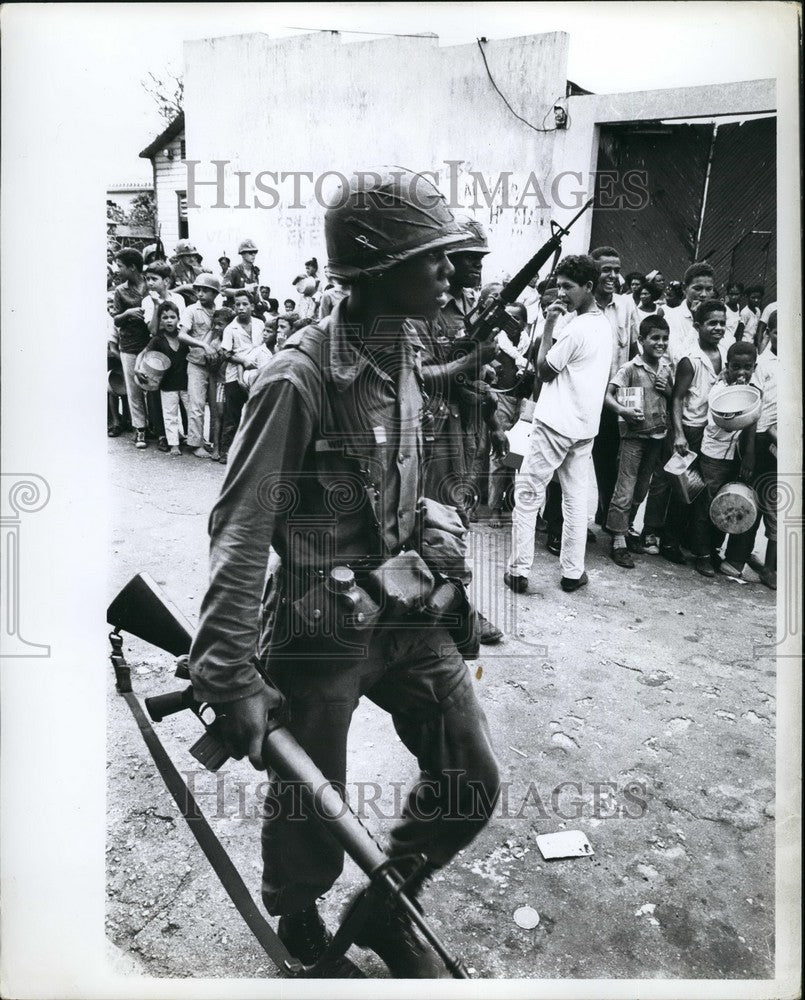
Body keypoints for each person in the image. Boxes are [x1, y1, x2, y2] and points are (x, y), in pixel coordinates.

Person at [188, 168, 500, 979]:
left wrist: (438, 532)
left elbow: (404, 460)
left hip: (407, 612)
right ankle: (301, 913)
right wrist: (227, 670)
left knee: (470, 779)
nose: (450, 271)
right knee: (311, 802)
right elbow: (239, 529)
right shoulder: (295, 379)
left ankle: (385, 906)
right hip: (319, 627)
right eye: (431, 257)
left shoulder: (406, 346)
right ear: (375, 269)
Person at [506, 254, 612, 593]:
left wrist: (550, 323)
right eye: (560, 286)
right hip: (583, 427)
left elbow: (543, 370)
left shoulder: (575, 329)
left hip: (555, 424)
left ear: (588, 286)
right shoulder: (603, 325)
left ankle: (519, 571)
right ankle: (572, 573)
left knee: (528, 495)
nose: (562, 293)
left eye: (568, 287)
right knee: (575, 500)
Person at [663, 299, 727, 574]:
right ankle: (669, 542)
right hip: (691, 429)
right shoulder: (691, 359)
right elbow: (677, 398)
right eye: (712, 323)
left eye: (722, 323)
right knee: (685, 489)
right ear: (698, 326)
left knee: (704, 491)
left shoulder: (724, 353)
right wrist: (679, 434)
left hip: (715, 431)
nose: (718, 328)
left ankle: (695, 543)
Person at [604, 315, 673, 567]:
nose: (661, 343)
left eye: (665, 338)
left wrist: (667, 388)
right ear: (641, 340)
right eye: (655, 338)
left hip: (657, 437)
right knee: (625, 487)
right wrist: (623, 411)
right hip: (633, 438)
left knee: (642, 488)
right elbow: (608, 396)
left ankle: (626, 528)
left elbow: (672, 397)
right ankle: (618, 540)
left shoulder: (666, 368)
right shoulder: (630, 368)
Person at [698, 341, 762, 578]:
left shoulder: (753, 391)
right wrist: (737, 397)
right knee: (707, 505)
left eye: (747, 367)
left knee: (727, 505)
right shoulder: (720, 390)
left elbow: (752, 422)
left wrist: (749, 456)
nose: (741, 372)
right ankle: (702, 555)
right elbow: (725, 423)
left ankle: (714, 549)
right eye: (736, 367)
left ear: (754, 367)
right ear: (727, 366)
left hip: (736, 457)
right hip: (714, 456)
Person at [589, 245, 639, 531]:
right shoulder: (584, 305)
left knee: (610, 462)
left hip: (614, 399)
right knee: (572, 460)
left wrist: (632, 402)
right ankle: (556, 523)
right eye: (605, 269)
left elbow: (633, 354)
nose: (612, 276)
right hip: (585, 398)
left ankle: (606, 516)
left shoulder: (626, 306)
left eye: (617, 270)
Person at [488, 302, 529, 528]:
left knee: (517, 456)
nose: (512, 323)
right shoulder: (497, 341)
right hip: (501, 399)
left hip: (521, 402)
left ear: (524, 322)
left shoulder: (529, 344)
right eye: (508, 318)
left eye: (517, 318)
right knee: (499, 454)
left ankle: (512, 505)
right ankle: (494, 508)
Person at [744, 310, 777, 589]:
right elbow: (754, 410)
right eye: (778, 332)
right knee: (755, 498)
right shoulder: (763, 365)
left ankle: (771, 566)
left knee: (778, 505)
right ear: (769, 333)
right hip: (763, 440)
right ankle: (741, 554)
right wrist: (751, 450)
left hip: (785, 440)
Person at [179, 274, 225, 458]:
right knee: (196, 404)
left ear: (215, 293)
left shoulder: (220, 311)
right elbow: (182, 335)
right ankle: (195, 443)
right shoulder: (191, 310)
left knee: (216, 406)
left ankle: (215, 443)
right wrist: (204, 345)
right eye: (198, 290)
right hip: (196, 363)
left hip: (216, 365)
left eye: (205, 290)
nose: (200, 293)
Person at [218, 290, 264, 464]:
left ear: (252, 306)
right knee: (232, 415)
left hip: (256, 373)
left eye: (245, 304)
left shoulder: (259, 324)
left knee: (257, 413)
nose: (241, 308)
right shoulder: (231, 328)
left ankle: (254, 452)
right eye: (238, 304)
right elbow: (225, 353)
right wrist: (243, 361)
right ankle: (226, 451)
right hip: (234, 376)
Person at [112, 248, 150, 449]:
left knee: (153, 387)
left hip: (151, 344)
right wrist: (127, 313)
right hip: (129, 346)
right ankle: (140, 428)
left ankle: (159, 427)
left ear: (132, 267)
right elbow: (116, 319)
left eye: (120, 266)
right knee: (134, 389)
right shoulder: (120, 291)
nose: (117, 270)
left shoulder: (151, 284)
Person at [142, 301, 190, 457]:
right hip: (167, 385)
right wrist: (138, 369)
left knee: (191, 412)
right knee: (170, 415)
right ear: (160, 320)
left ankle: (194, 440)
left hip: (186, 383)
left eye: (172, 317)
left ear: (178, 319)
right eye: (165, 317)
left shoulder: (184, 337)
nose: (169, 321)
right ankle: (174, 444)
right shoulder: (158, 339)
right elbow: (145, 355)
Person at [664, 263, 716, 366]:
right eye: (698, 288)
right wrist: (696, 324)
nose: (704, 294)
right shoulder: (671, 317)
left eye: (709, 289)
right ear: (684, 288)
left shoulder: (716, 317)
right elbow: (679, 359)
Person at [171, 240, 211, 306]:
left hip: (196, 307)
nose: (192, 259)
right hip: (178, 307)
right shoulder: (172, 270)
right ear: (180, 256)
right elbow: (164, 293)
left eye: (194, 256)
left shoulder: (198, 271)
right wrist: (183, 287)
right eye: (188, 256)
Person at [223, 239, 261, 303]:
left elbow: (256, 290)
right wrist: (244, 290)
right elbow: (223, 291)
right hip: (235, 306)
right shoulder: (234, 271)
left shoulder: (255, 271)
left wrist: (262, 301)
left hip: (250, 306)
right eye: (250, 252)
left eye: (255, 252)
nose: (253, 255)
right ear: (243, 254)